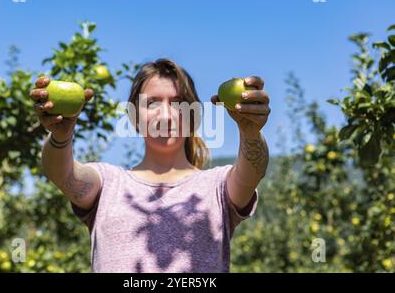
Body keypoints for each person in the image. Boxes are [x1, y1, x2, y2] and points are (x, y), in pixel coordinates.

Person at [29, 58, 270, 273]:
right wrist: (61, 136)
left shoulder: (217, 185)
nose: (165, 116)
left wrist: (250, 133)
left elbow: (252, 172)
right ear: (134, 116)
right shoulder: (108, 183)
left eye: (177, 104)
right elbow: (62, 174)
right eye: (152, 103)